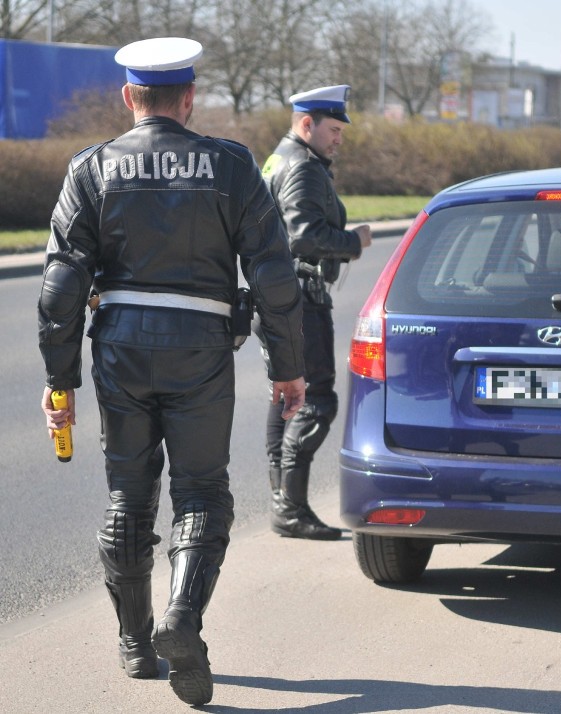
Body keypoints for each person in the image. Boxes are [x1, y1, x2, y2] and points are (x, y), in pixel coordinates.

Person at [38, 37, 306, 707]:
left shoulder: (90, 168)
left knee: (129, 495)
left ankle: (134, 646)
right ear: (189, 99)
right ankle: (183, 618)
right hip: (201, 347)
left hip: (120, 346)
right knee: (202, 491)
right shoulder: (231, 165)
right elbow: (273, 276)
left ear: (129, 98)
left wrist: (59, 382)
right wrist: (288, 366)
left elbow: (59, 289)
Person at [258, 84, 372, 540]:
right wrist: (355, 242)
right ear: (307, 124)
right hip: (300, 298)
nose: (339, 138)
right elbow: (304, 237)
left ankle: (282, 500)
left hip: (277, 295)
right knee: (317, 398)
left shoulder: (280, 157)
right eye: (334, 129)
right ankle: (290, 506)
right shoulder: (304, 167)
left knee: (288, 393)